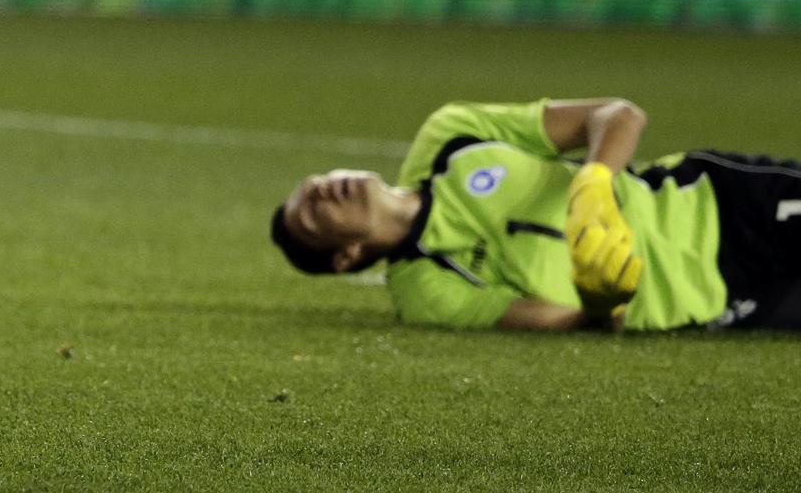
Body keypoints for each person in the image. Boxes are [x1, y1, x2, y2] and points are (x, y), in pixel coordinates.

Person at [272, 96, 801, 332]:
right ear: (347, 257)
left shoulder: (450, 137)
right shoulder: (425, 292)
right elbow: (553, 319)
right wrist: (600, 304)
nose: (320, 191)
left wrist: (595, 181)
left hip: (714, 204)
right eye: (311, 215)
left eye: (310, 184)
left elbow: (617, 115)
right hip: (710, 300)